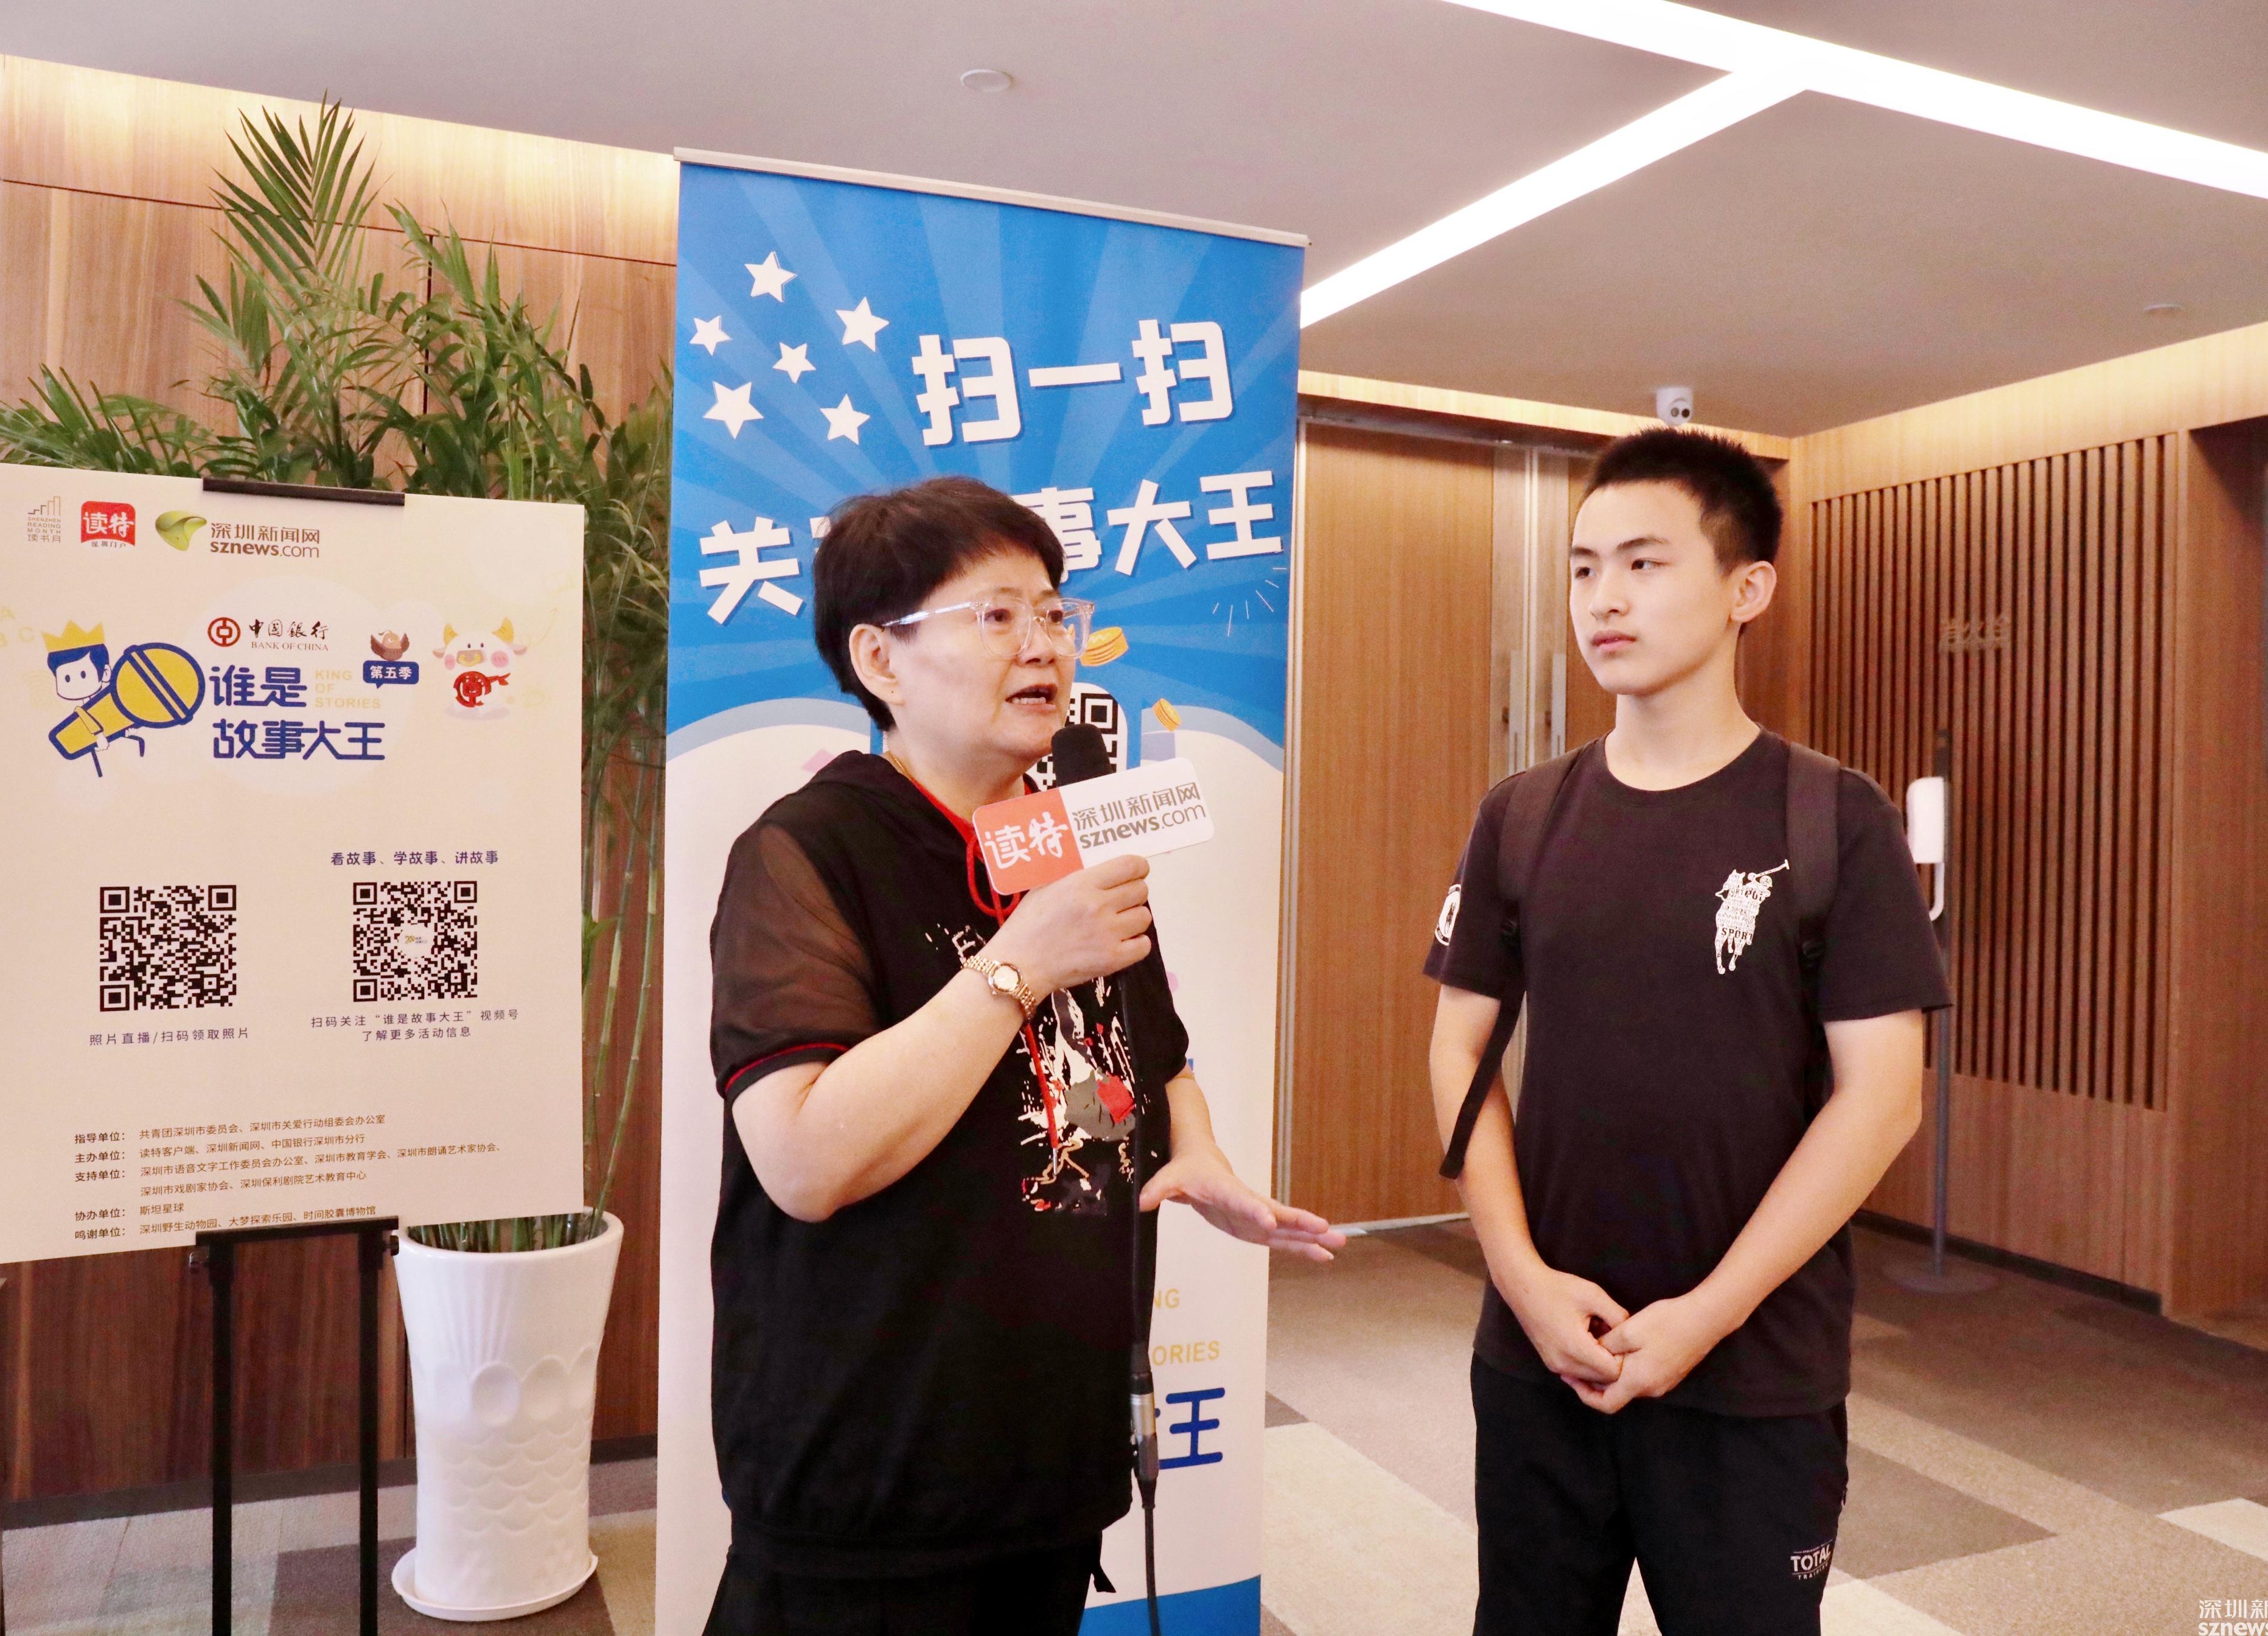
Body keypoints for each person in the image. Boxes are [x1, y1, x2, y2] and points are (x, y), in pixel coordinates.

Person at [705, 474, 1343, 1636]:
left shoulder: (1063, 825)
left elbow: (1150, 1047)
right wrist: (1016, 967)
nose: (1043, 643)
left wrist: (1195, 1151)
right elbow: (801, 1159)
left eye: (1052, 611)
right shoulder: (804, 851)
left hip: (1050, 1451)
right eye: (995, 615)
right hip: (876, 1471)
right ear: (881, 659)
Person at [1424, 429, 1950, 1635]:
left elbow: (1883, 1099)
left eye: (1644, 564)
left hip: (1753, 1375)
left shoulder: (1834, 819)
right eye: (1582, 569)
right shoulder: (1523, 815)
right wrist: (1520, 1278)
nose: (1602, 599)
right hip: (1539, 1359)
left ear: (1746, 588)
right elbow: (1459, 1050)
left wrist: (1705, 1316)